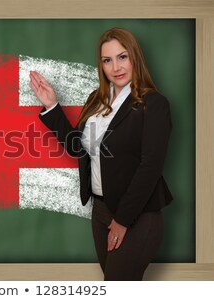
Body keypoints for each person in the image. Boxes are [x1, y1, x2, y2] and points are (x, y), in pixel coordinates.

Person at [29, 27, 173, 280]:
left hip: (136, 215)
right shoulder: (97, 99)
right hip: (101, 210)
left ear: (135, 58)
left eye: (122, 57)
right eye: (107, 60)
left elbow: (150, 167)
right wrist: (52, 106)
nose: (115, 67)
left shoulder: (153, 104)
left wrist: (122, 220)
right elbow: (80, 149)